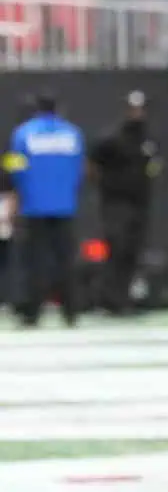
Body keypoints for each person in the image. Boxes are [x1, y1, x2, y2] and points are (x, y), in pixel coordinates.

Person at [3, 94, 85, 328]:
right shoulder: (73, 134)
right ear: (58, 108)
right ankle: (71, 312)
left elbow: (14, 167)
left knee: (35, 262)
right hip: (65, 205)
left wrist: (17, 194)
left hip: (34, 206)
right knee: (66, 260)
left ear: (36, 109)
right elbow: (79, 167)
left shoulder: (23, 133)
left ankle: (32, 314)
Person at [88, 91, 158, 315]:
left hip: (139, 203)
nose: (137, 113)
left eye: (141, 109)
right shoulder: (112, 138)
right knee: (117, 248)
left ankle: (124, 299)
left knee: (132, 251)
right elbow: (92, 162)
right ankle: (108, 299)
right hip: (116, 204)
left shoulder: (147, 140)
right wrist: (105, 187)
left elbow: (152, 167)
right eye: (133, 108)